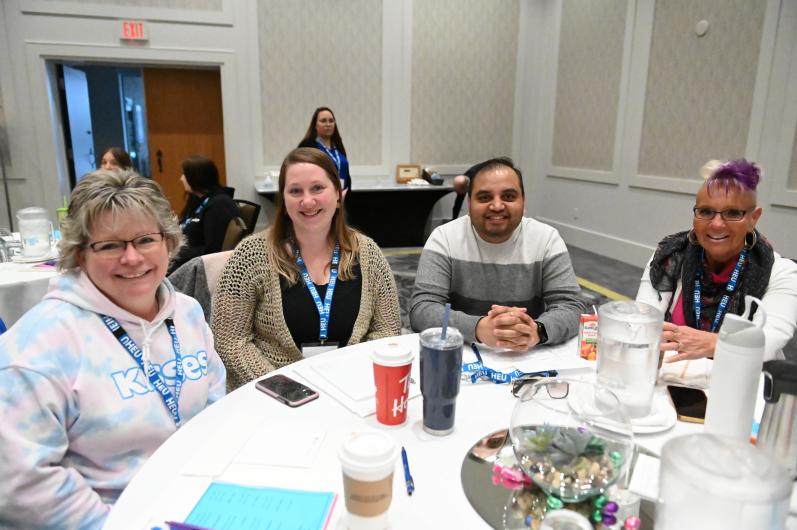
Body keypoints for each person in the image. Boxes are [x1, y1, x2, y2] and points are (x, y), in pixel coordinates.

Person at [0, 170, 226, 529]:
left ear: (168, 242)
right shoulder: (39, 346)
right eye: (110, 245)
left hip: (196, 503)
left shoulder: (187, 313)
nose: (132, 258)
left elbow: (215, 406)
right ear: (79, 255)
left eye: (145, 240)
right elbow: (19, 483)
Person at [212, 148, 401, 391]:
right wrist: (286, 389)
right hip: (272, 398)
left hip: (351, 390)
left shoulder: (368, 254)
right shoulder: (251, 255)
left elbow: (388, 330)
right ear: (283, 199)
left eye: (317, 188)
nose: (307, 201)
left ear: (339, 195)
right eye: (295, 191)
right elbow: (229, 341)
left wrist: (353, 376)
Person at [410, 157, 585, 350]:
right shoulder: (444, 238)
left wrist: (537, 330)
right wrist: (478, 327)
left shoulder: (546, 239)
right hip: (461, 351)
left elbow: (571, 306)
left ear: (523, 201)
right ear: (469, 203)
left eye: (508, 197)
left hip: (527, 354)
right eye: (484, 197)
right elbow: (422, 309)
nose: (497, 206)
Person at [637, 159, 797, 362]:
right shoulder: (670, 257)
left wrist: (711, 344)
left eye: (732, 213)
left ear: (753, 218)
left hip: (743, 384)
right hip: (672, 379)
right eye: (706, 212)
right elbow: (643, 324)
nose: (717, 224)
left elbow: (766, 342)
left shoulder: (782, 273)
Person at [169, 155, 239, 273]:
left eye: (184, 174)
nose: (181, 179)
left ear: (196, 178)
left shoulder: (219, 205)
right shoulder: (199, 199)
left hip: (196, 267)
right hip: (186, 258)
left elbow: (212, 250)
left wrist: (177, 252)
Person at [298, 106, 351, 194]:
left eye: (331, 121)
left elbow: (346, 174)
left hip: (341, 196)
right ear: (315, 125)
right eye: (323, 121)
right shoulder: (307, 146)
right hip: (319, 197)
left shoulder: (338, 146)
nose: (328, 124)